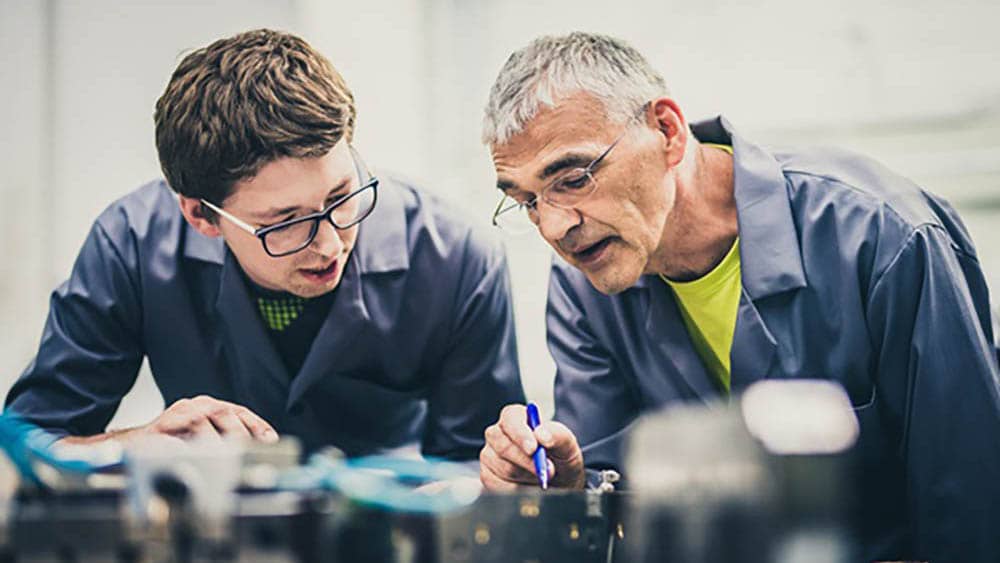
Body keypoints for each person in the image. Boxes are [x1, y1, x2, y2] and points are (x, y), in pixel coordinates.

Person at [477, 32, 1000, 560]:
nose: (555, 226)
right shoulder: (583, 285)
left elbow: (971, 506)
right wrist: (567, 493)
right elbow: (624, 513)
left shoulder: (882, 237)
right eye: (527, 202)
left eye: (573, 178)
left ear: (667, 131)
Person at [4, 29, 524, 461]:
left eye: (342, 196)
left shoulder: (458, 257)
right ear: (201, 215)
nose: (327, 244)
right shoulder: (130, 245)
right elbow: (26, 447)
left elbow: (480, 481)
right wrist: (136, 445)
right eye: (286, 223)